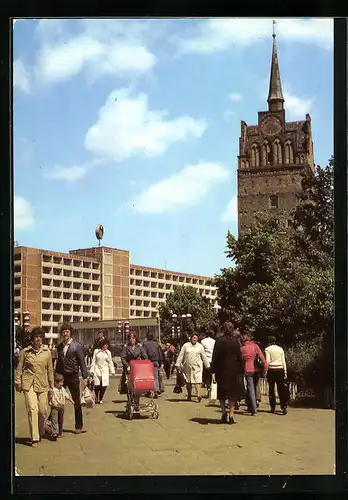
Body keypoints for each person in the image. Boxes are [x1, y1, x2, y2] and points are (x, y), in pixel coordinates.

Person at [14, 327, 54, 447]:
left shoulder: (47, 353)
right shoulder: (25, 352)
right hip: (28, 384)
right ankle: (35, 437)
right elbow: (19, 369)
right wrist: (18, 383)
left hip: (42, 384)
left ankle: (41, 430)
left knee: (42, 410)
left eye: (41, 337)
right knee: (33, 409)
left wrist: (52, 386)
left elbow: (50, 370)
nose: (38, 339)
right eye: (36, 337)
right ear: (32, 338)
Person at [55, 323, 88, 434]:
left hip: (73, 376)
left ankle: (78, 425)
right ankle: (56, 427)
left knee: (76, 402)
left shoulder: (76, 346)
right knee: (58, 401)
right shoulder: (59, 347)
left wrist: (85, 377)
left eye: (67, 331)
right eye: (63, 332)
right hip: (62, 377)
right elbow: (58, 363)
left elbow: (82, 362)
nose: (65, 333)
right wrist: (56, 377)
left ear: (70, 333)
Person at [210, 322, 245, 424]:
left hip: (221, 371)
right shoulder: (236, 342)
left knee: (221, 394)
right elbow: (240, 357)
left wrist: (213, 371)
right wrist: (241, 369)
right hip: (233, 371)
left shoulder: (219, 341)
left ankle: (224, 413)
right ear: (232, 330)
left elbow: (215, 357)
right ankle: (231, 415)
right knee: (232, 395)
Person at [175, 333, 210, 402]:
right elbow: (181, 355)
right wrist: (178, 364)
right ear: (191, 338)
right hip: (187, 367)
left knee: (198, 381)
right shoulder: (186, 346)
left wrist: (208, 366)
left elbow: (204, 357)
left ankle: (198, 395)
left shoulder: (200, 346)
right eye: (194, 338)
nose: (195, 339)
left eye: (196, 338)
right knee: (189, 382)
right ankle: (189, 395)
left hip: (197, 367)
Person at [240, 332, 268, 416]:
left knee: (250, 388)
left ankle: (254, 409)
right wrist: (265, 369)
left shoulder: (242, 349)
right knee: (255, 387)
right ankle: (253, 404)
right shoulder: (255, 346)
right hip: (256, 370)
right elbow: (263, 359)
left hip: (248, 370)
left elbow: (240, 361)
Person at [120, 332, 148, 411]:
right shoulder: (126, 347)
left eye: (133, 338)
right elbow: (123, 358)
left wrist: (144, 364)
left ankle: (137, 403)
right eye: (130, 338)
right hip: (129, 369)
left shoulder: (139, 347)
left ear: (136, 339)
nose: (132, 340)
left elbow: (145, 357)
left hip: (138, 369)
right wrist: (127, 366)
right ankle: (130, 402)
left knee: (138, 387)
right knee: (129, 388)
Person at [265, 336, 289, 415]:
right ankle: (283, 405)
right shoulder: (280, 349)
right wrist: (285, 372)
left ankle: (273, 407)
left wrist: (265, 370)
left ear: (269, 342)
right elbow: (283, 361)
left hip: (272, 370)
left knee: (271, 389)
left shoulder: (267, 349)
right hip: (280, 369)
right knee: (281, 389)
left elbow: (268, 361)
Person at [47, 372, 75, 440]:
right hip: (54, 407)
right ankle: (54, 433)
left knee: (61, 420)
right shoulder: (52, 390)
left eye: (62, 382)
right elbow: (49, 397)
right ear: (56, 383)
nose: (62, 384)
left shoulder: (63, 389)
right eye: (60, 382)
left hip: (61, 407)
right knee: (54, 420)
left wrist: (72, 401)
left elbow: (66, 395)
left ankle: (60, 432)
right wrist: (49, 399)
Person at [90, 338, 115, 404]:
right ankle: (96, 397)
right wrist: (92, 371)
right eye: (105, 344)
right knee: (97, 385)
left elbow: (110, 362)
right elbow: (93, 361)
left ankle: (101, 398)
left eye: (107, 345)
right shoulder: (96, 351)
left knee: (104, 386)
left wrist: (112, 371)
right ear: (102, 345)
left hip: (105, 370)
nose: (106, 346)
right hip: (97, 369)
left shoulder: (108, 352)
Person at [142, 332, 163, 397]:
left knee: (148, 377)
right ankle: (156, 390)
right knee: (155, 376)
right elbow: (160, 353)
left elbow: (143, 353)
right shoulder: (156, 344)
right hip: (156, 361)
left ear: (147, 337)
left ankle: (148, 391)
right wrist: (160, 362)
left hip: (148, 362)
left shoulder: (145, 344)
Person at [201, 330, 216, 395]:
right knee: (212, 374)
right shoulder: (214, 341)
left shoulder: (203, 341)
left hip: (205, 360)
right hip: (212, 360)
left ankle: (208, 387)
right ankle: (213, 387)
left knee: (206, 376)